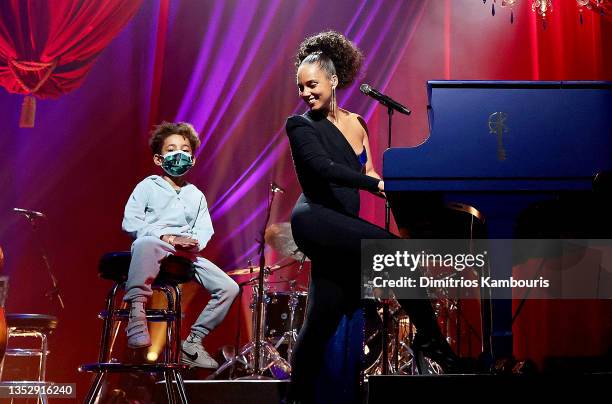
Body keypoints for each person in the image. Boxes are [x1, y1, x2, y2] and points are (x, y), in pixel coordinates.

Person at [285, 31, 458, 403]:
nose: (305, 94)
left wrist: (403, 210)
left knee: (321, 317)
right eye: (300, 88)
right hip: (314, 219)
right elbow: (323, 167)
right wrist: (370, 184)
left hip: (341, 227)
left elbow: (373, 175)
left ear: (333, 80)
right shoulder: (299, 126)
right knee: (394, 254)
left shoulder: (359, 123)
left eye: (311, 84)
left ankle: (297, 397)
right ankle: (431, 338)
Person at [122, 122, 239, 369]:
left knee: (228, 287)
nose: (180, 155)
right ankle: (136, 314)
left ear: (193, 160)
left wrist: (194, 243)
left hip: (186, 253)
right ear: (158, 158)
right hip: (155, 243)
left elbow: (204, 229)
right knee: (144, 243)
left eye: (185, 150)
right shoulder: (147, 186)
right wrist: (165, 237)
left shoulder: (196, 195)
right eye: (172, 149)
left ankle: (194, 342)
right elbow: (131, 222)